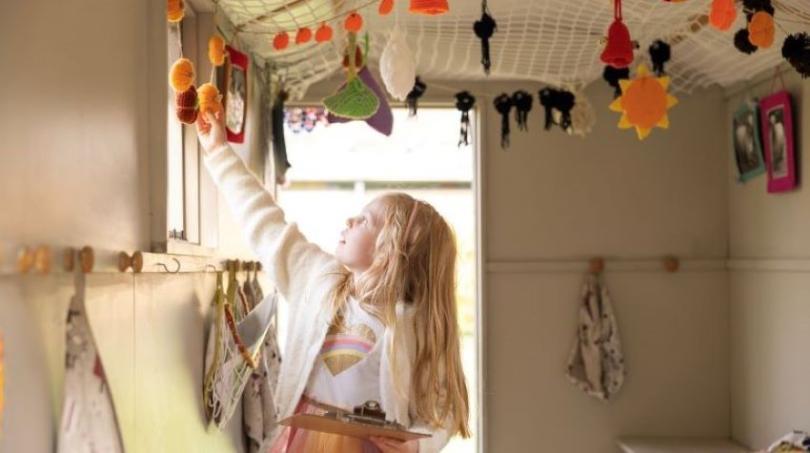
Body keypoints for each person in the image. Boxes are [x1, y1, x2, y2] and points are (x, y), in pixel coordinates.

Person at [196, 109, 470, 453]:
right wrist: (219, 151)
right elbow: (266, 224)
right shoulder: (319, 282)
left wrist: (419, 447)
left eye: (365, 221)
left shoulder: (416, 327)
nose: (350, 220)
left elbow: (443, 407)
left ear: (391, 249)